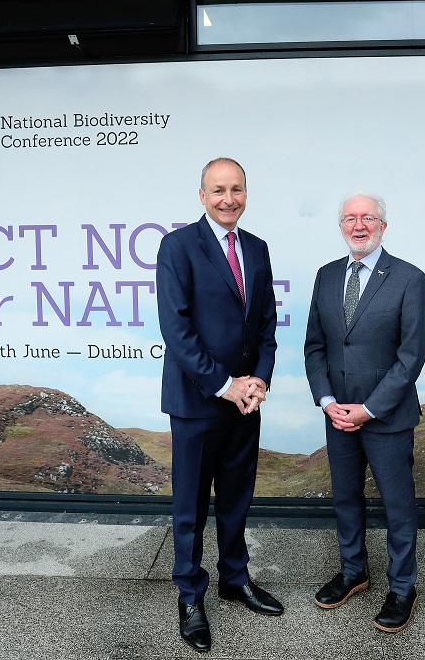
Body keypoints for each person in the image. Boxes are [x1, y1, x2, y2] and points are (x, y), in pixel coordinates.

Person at [156, 157, 283, 653]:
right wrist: (224, 384)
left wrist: (259, 382)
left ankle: (235, 578)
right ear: (202, 194)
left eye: (236, 189)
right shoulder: (179, 247)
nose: (228, 198)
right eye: (218, 190)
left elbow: (267, 324)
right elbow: (178, 331)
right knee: (190, 508)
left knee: (236, 499)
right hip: (197, 401)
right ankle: (190, 596)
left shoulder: (257, 248)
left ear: (246, 193)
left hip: (246, 402)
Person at [303, 193, 425, 633]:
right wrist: (327, 402)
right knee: (345, 499)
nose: (359, 225)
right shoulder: (325, 276)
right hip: (337, 414)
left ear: (383, 225)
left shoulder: (410, 279)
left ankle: (402, 587)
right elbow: (315, 346)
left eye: (368, 218)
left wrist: (370, 408)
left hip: (387, 416)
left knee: (398, 505)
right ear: (341, 225)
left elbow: (411, 357)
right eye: (350, 218)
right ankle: (353, 571)